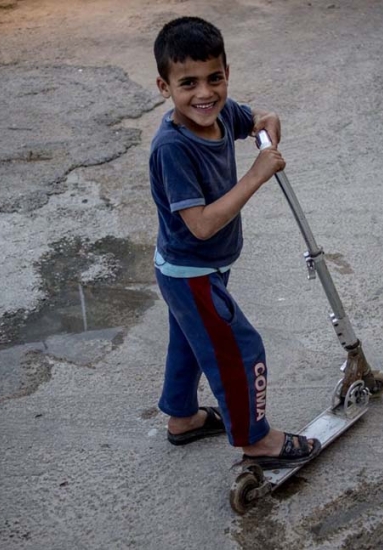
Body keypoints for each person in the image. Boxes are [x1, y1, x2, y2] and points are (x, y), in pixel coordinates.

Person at [149, 16, 320, 469]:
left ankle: (182, 418)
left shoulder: (220, 113)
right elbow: (202, 225)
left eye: (215, 79)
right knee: (240, 349)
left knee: (188, 342)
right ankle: (256, 439)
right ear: (164, 87)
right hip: (191, 271)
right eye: (188, 83)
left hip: (201, 267)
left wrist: (267, 121)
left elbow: (255, 118)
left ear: (226, 72)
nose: (204, 93)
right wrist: (257, 174)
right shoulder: (173, 148)